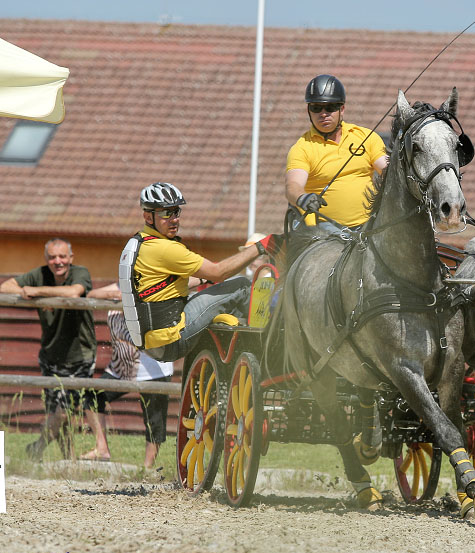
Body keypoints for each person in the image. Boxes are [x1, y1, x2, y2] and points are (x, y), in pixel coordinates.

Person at [125, 182, 280, 363]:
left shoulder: (137, 244)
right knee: (242, 285)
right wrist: (262, 246)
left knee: (224, 288)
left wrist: (204, 280)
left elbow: (165, 286)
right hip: (172, 340)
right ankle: (266, 343)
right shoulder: (165, 249)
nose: (174, 219)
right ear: (148, 217)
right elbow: (219, 272)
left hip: (151, 343)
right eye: (166, 213)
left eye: (176, 212)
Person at [1, 238, 99, 460]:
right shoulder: (40, 273)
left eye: (62, 256)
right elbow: (5, 287)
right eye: (53, 257)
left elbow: (75, 292)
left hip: (79, 354)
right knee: (56, 413)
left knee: (64, 412)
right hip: (51, 355)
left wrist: (38, 293)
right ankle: (69, 461)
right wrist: (36, 292)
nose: (58, 261)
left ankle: (36, 448)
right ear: (46, 259)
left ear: (71, 258)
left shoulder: (79, 272)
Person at [285, 74, 388, 237]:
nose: (323, 114)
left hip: (371, 226)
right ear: (309, 111)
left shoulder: (366, 137)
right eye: (316, 108)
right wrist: (302, 197)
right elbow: (293, 186)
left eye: (330, 107)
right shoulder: (302, 148)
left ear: (342, 109)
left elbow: (389, 171)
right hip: (325, 231)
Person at [86, 283, 175, 468]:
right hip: (122, 368)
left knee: (154, 421)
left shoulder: (157, 286)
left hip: (154, 368)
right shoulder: (116, 288)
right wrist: (116, 293)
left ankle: (147, 468)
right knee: (93, 395)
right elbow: (91, 294)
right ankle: (101, 449)